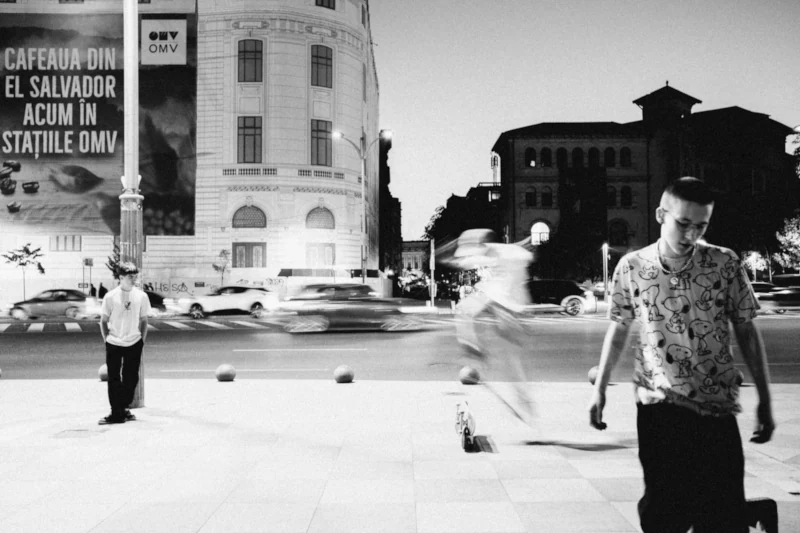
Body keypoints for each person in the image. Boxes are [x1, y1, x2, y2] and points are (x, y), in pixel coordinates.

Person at [588, 177, 775, 533]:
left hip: (715, 408)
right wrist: (599, 389)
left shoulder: (724, 263)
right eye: (683, 224)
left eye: (700, 226)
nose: (690, 235)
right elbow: (619, 327)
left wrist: (764, 400)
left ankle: (749, 514)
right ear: (661, 214)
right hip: (659, 408)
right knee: (663, 514)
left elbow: (748, 333)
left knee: (721, 517)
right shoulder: (631, 267)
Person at [445, 229, 536, 423]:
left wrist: (524, 246)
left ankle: (523, 399)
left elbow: (526, 254)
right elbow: (467, 261)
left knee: (510, 358)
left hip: (511, 305)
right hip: (492, 295)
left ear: (483, 246)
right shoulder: (487, 253)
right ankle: (474, 347)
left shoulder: (511, 254)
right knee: (463, 309)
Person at [99, 262, 151, 425]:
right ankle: (116, 413)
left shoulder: (141, 296)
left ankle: (121, 407)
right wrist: (107, 340)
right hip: (114, 342)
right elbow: (103, 320)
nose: (133, 279)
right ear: (120, 278)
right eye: (130, 277)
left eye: (135, 276)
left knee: (131, 379)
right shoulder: (110, 296)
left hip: (134, 342)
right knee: (114, 378)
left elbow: (144, 320)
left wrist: (142, 340)